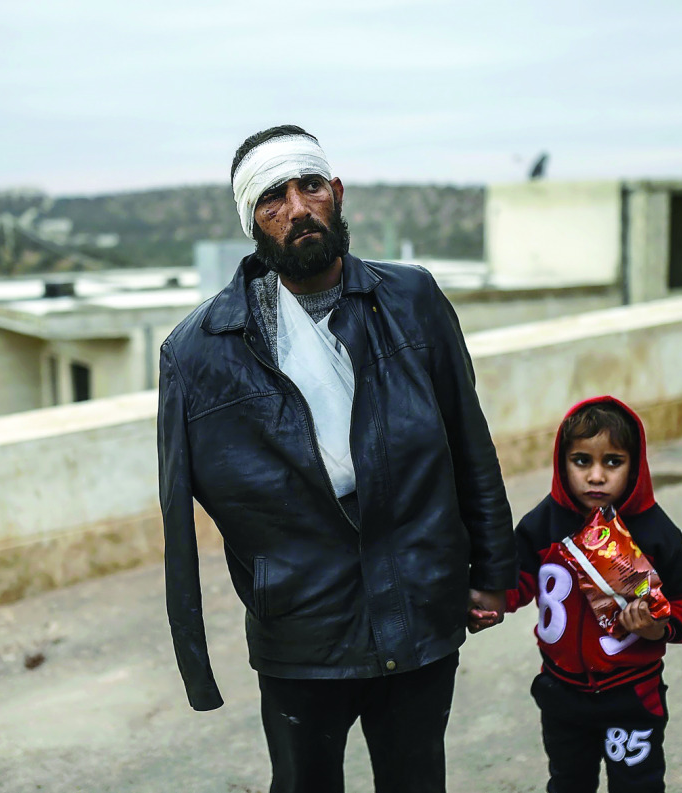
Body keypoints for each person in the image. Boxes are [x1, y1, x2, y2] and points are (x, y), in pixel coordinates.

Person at [158, 124, 516, 793]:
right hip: (302, 631)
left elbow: (469, 441)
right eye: (272, 197)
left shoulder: (412, 300)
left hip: (415, 605)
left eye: (310, 185)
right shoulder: (199, 353)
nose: (296, 207)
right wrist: (197, 657)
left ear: (337, 193)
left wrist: (493, 570)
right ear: (253, 222)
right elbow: (179, 512)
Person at [504, 396, 682, 793]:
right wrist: (485, 601)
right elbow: (516, 582)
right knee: (568, 783)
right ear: (562, 463)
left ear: (635, 466)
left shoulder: (656, 533)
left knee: (637, 786)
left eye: (612, 462)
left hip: (631, 695)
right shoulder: (541, 525)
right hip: (561, 695)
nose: (596, 476)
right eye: (582, 461)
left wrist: (656, 629)